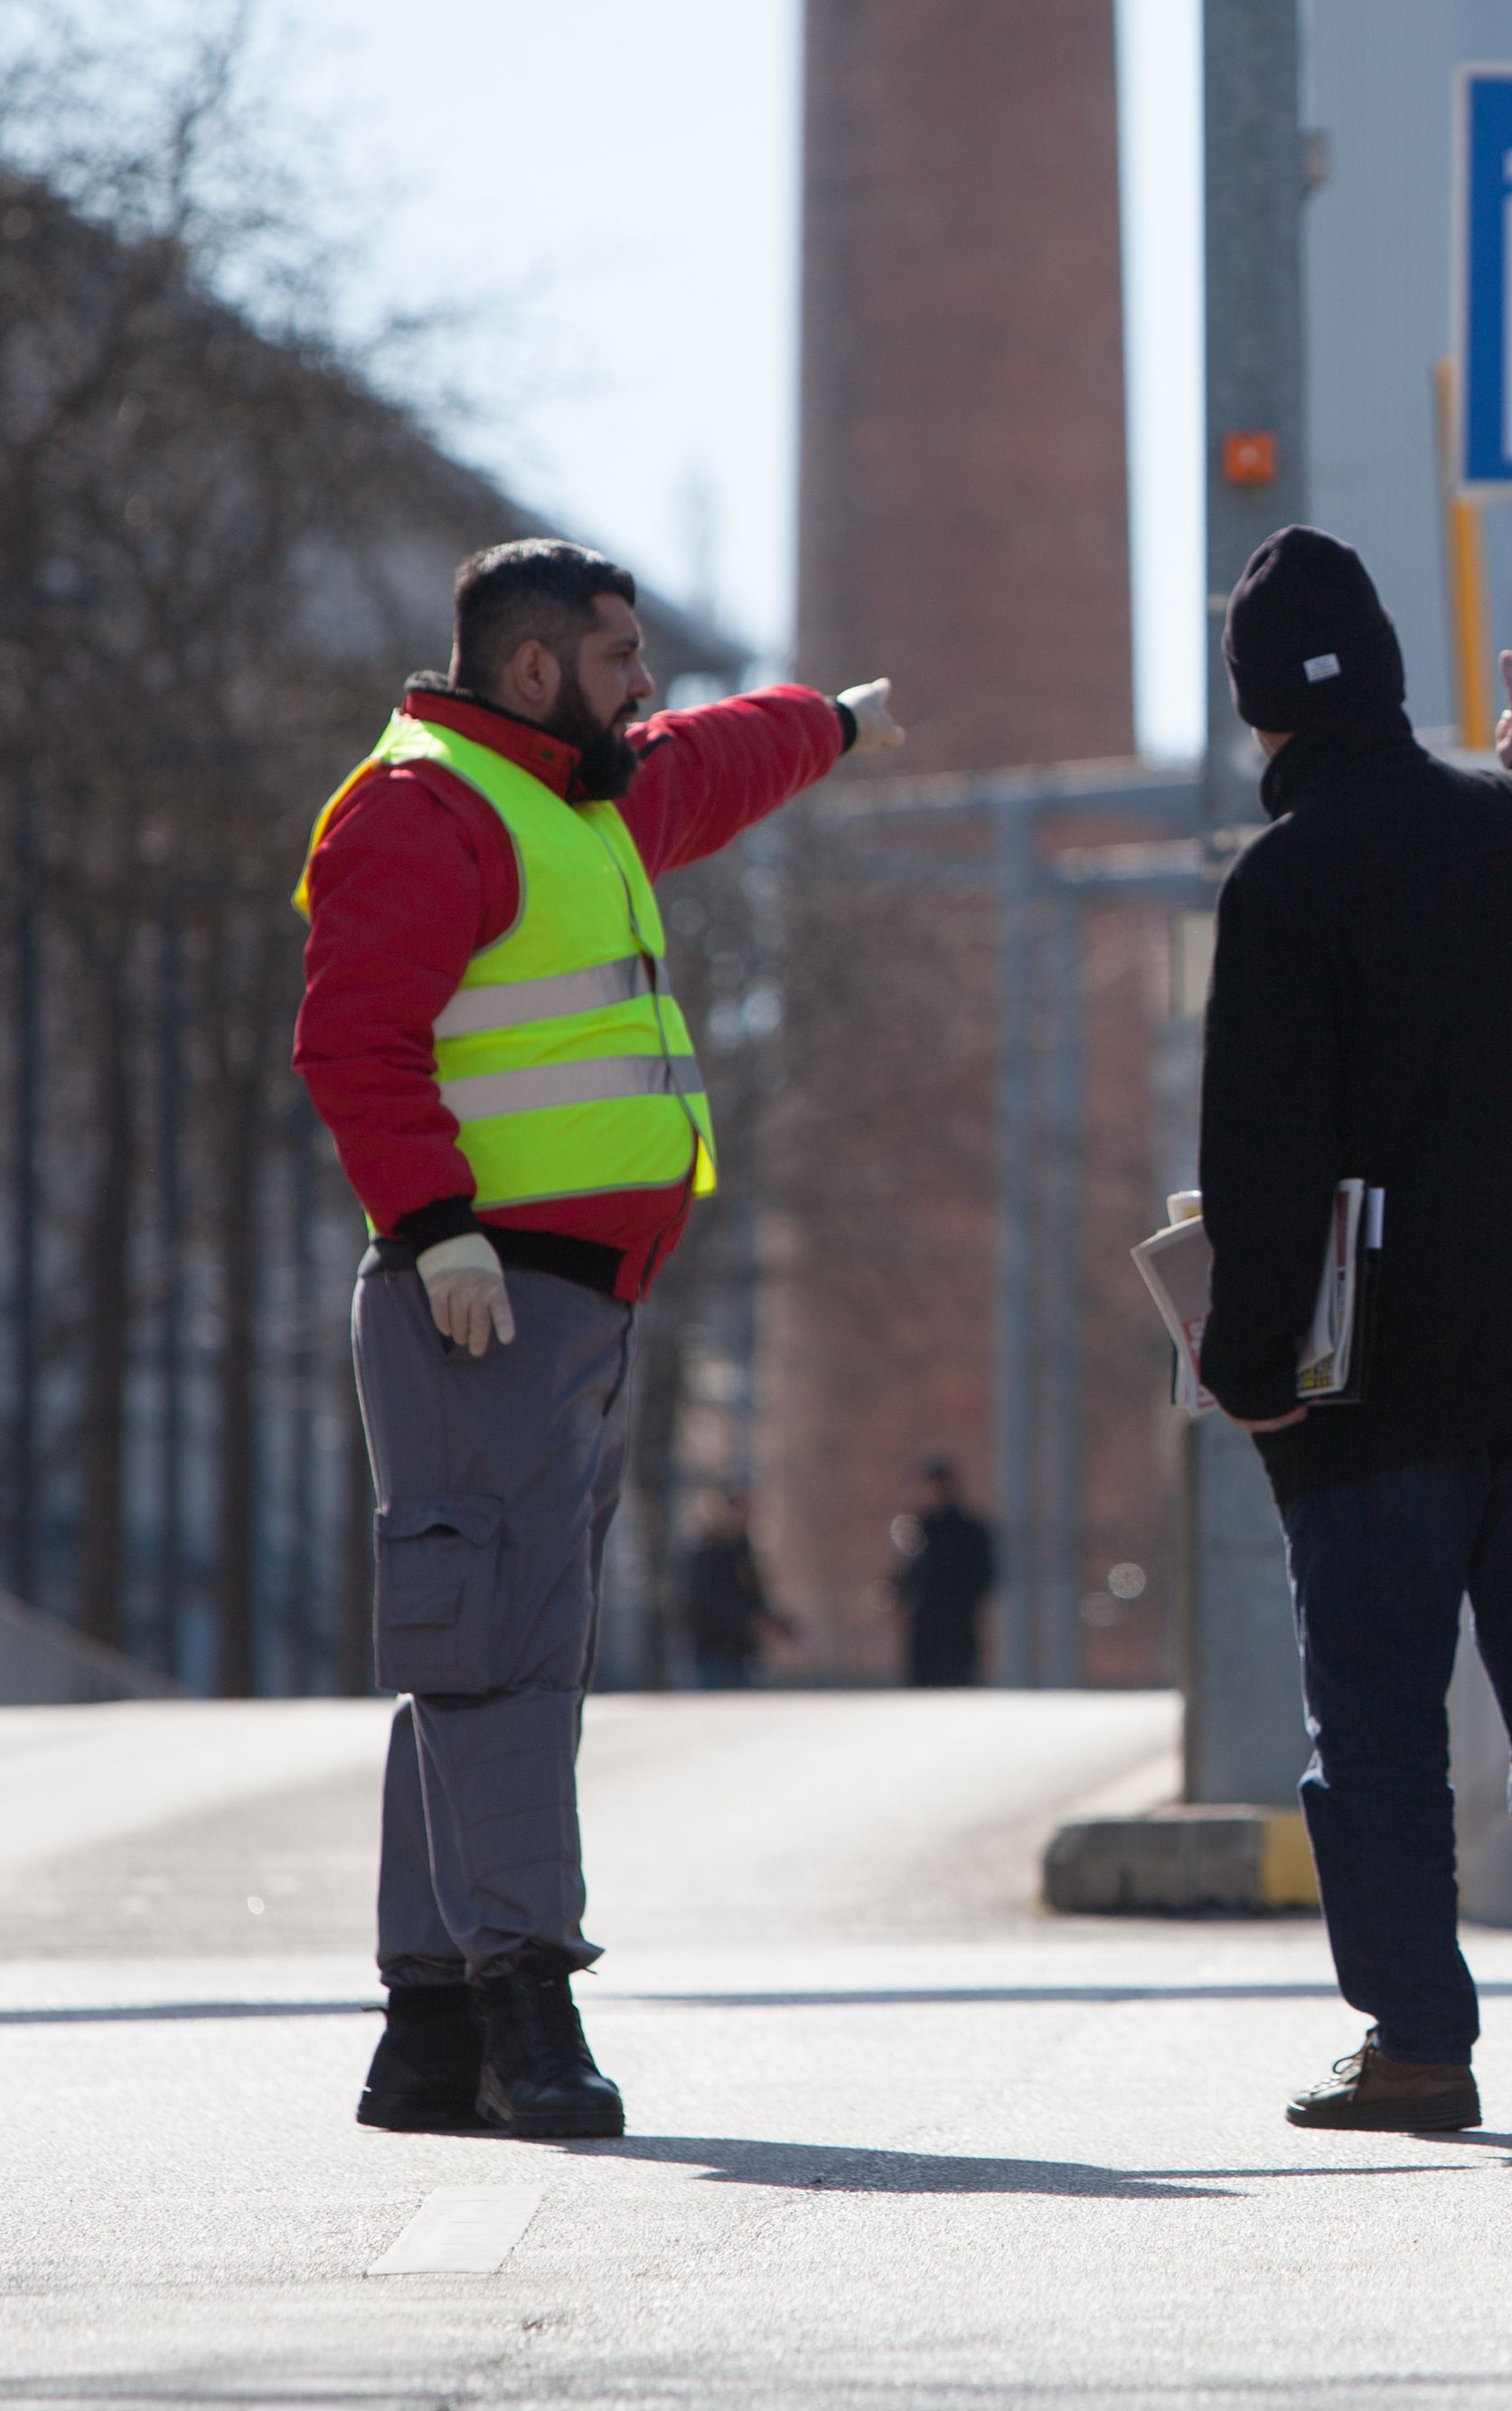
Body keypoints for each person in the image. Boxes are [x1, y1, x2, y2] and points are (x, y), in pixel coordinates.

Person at [296, 539, 903, 2139]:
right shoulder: (424, 806)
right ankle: (525, 2009)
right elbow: (354, 1035)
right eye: (626, 658)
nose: (652, 689)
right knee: (502, 1657)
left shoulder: (577, 794)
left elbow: (715, 762)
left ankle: (429, 2036)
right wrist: (438, 1233)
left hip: (571, 1304)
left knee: (484, 1650)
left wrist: (832, 721)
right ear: (538, 668)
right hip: (481, 1295)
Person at [1192, 525, 1512, 2136]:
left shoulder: (1282, 878)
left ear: (1261, 716)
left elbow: (1261, 1155)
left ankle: (1417, 2042)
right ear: (1391, 679)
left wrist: (1247, 1367)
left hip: (1370, 1373)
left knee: (1380, 1717)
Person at [893, 1461, 997, 1689]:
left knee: (958, 1689)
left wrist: (963, 1600)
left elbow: (986, 1575)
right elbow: (909, 1572)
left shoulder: (971, 1531)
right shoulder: (920, 1529)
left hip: (958, 1625)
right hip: (925, 1626)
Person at [672, 1489, 788, 1689]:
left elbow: (753, 1598)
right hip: (714, 1654)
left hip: (742, 1653)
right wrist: (748, 1620)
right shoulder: (708, 1553)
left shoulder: (742, 1551)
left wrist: (781, 1626)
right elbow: (705, 1603)